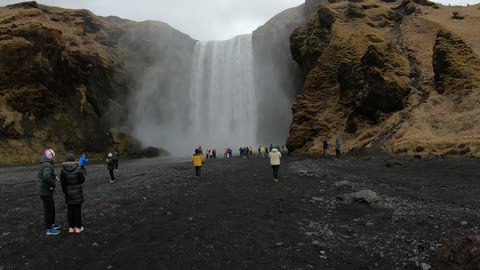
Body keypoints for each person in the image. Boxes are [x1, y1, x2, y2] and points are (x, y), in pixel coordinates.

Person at [38, 149, 61, 235]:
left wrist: (54, 176)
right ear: (51, 156)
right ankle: (49, 228)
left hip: (44, 189)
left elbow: (47, 174)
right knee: (48, 209)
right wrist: (53, 183)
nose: (54, 158)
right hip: (45, 190)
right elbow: (46, 177)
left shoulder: (45, 164)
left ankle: (52, 224)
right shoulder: (48, 165)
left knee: (51, 207)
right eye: (54, 156)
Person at [60, 153, 85, 234]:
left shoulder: (63, 169)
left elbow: (62, 183)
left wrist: (65, 191)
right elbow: (82, 180)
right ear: (74, 159)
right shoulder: (78, 168)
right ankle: (78, 227)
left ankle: (71, 227)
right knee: (77, 210)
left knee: (70, 210)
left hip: (68, 193)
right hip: (77, 192)